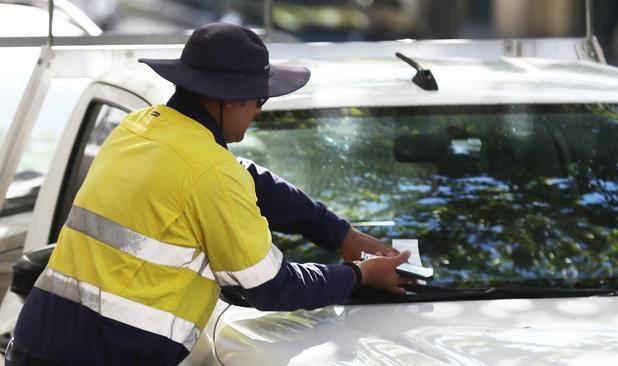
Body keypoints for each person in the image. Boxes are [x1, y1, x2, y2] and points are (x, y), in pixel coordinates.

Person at [5, 22, 413, 366]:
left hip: (35, 345)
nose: (259, 109)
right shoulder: (208, 171)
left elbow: (246, 177)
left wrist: (338, 234)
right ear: (229, 100)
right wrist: (359, 274)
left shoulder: (138, 128)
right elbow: (271, 285)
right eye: (260, 98)